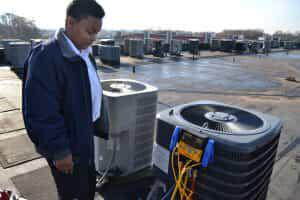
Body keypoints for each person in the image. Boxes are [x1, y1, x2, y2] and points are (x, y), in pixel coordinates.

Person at [22, 1, 108, 199]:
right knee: (72, 193)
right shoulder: (46, 56)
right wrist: (59, 150)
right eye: (90, 32)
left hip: (84, 135)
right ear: (70, 22)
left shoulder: (84, 52)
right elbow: (40, 110)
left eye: (97, 33)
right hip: (67, 144)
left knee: (87, 188)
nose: (93, 39)